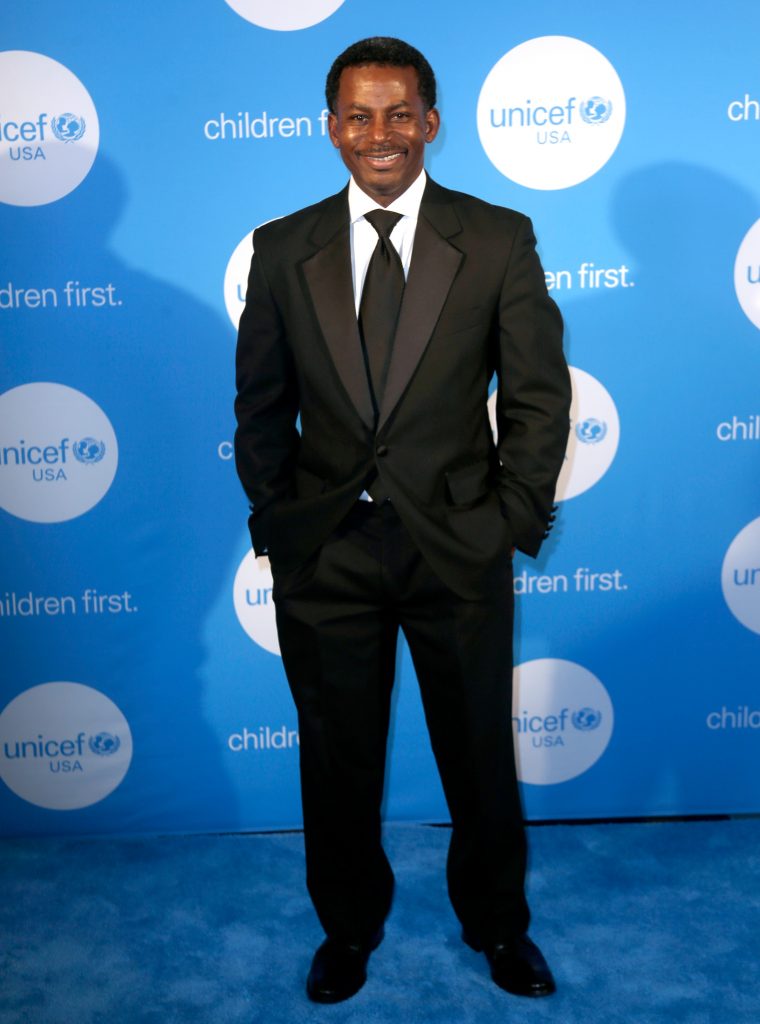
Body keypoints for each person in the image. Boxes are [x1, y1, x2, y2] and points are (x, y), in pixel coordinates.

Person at [234, 36, 571, 1004]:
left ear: (430, 122)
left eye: (397, 113)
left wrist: (507, 518)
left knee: (477, 752)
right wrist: (283, 523)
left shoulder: (497, 238)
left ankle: (498, 925)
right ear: (331, 126)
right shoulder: (282, 247)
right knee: (336, 759)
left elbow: (537, 397)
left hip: (457, 546)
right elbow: (259, 407)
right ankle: (348, 926)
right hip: (329, 553)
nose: (378, 134)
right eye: (358, 114)